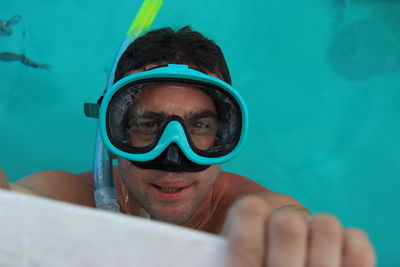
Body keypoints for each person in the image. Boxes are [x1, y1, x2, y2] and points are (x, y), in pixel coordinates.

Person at [1, 26, 375, 267]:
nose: (174, 156)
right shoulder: (75, 196)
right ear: (111, 133)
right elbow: (16, 202)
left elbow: (283, 221)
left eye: (199, 125)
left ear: (225, 132)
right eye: (148, 125)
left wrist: (298, 243)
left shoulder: (242, 212)